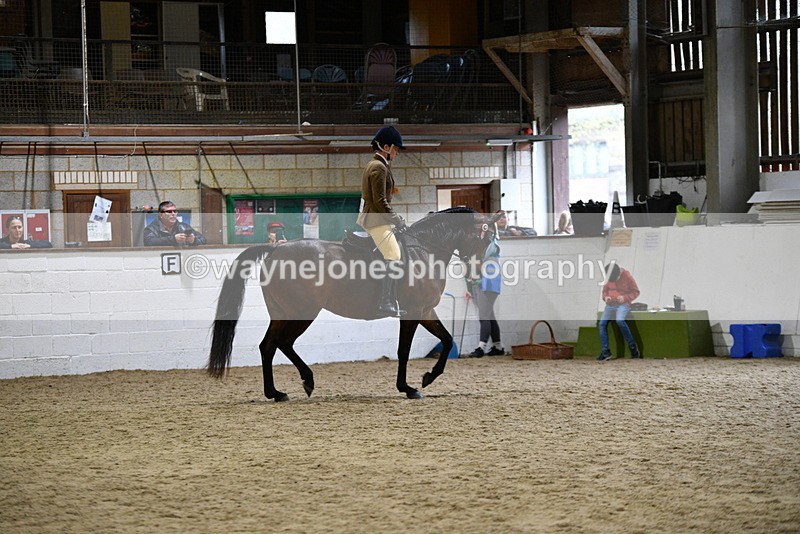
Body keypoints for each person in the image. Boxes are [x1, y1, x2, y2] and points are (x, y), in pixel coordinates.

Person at [356, 125, 406, 317]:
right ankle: (385, 301)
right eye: (396, 149)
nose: (397, 153)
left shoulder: (377, 164)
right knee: (394, 255)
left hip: (376, 217)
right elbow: (380, 201)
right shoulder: (378, 166)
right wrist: (397, 219)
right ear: (386, 147)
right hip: (375, 220)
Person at [466, 229, 504, 357]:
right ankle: (498, 346)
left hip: (486, 286)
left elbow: (481, 269)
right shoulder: (487, 251)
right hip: (483, 285)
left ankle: (481, 347)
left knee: (484, 316)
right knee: (489, 316)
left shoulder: (490, 251)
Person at [597, 263, 641, 360]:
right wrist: (605, 297)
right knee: (602, 324)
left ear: (619, 274)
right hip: (610, 304)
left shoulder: (627, 277)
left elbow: (636, 291)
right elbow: (605, 291)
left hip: (623, 304)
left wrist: (625, 298)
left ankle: (633, 347)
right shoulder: (608, 276)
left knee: (620, 320)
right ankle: (605, 351)